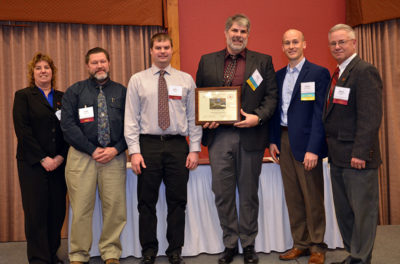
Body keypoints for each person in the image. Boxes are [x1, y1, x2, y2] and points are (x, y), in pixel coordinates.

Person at [196, 14, 278, 264]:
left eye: (243, 32)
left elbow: (272, 97)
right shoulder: (207, 61)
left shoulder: (263, 62)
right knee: (223, 193)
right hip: (219, 137)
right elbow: (201, 98)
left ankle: (249, 243)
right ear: (226, 32)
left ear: (248, 35)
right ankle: (230, 243)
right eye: (234, 30)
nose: (238, 35)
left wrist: (258, 118)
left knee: (249, 193)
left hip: (250, 137)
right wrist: (205, 119)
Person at [124, 33, 202, 264]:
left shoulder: (186, 79)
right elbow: (131, 119)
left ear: (171, 50)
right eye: (158, 47)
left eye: (166, 47)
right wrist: (134, 151)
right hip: (147, 145)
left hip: (178, 146)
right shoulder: (137, 80)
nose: (162, 51)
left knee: (177, 201)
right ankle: (148, 250)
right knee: (146, 202)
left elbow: (194, 117)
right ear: (151, 50)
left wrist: (195, 149)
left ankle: (174, 250)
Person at [61, 47, 127, 264]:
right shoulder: (75, 91)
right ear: (87, 66)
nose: (99, 66)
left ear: (109, 63)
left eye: (103, 61)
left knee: (115, 208)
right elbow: (68, 125)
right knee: (81, 208)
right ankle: (79, 254)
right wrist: (91, 149)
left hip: (114, 157)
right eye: (94, 62)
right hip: (82, 157)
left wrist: (117, 149)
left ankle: (111, 253)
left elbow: (132, 125)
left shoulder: (121, 91)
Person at [269, 29, 330, 264]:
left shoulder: (318, 73)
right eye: (287, 43)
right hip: (284, 141)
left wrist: (314, 148)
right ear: (282, 47)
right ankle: (301, 244)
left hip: (307, 144)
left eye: (295, 42)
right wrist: (273, 141)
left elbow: (319, 115)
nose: (291, 46)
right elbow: (276, 112)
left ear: (305, 44)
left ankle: (317, 246)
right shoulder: (278, 76)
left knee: (313, 197)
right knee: (293, 197)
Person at [323, 24, 382, 264]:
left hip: (357, 159)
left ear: (354, 43)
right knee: (345, 212)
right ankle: (354, 255)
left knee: (362, 213)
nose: (337, 47)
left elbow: (370, 117)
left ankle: (361, 258)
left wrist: (360, 152)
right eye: (333, 43)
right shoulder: (338, 73)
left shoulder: (365, 71)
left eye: (342, 42)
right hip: (338, 157)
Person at [13, 52, 68, 264]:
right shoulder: (23, 96)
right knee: (36, 212)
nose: (43, 71)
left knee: (56, 211)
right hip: (32, 164)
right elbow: (23, 131)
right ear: (32, 73)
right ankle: (38, 258)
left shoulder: (64, 97)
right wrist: (44, 158)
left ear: (53, 72)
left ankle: (52, 253)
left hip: (59, 164)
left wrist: (61, 157)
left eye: (47, 67)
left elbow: (69, 130)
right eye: (38, 68)